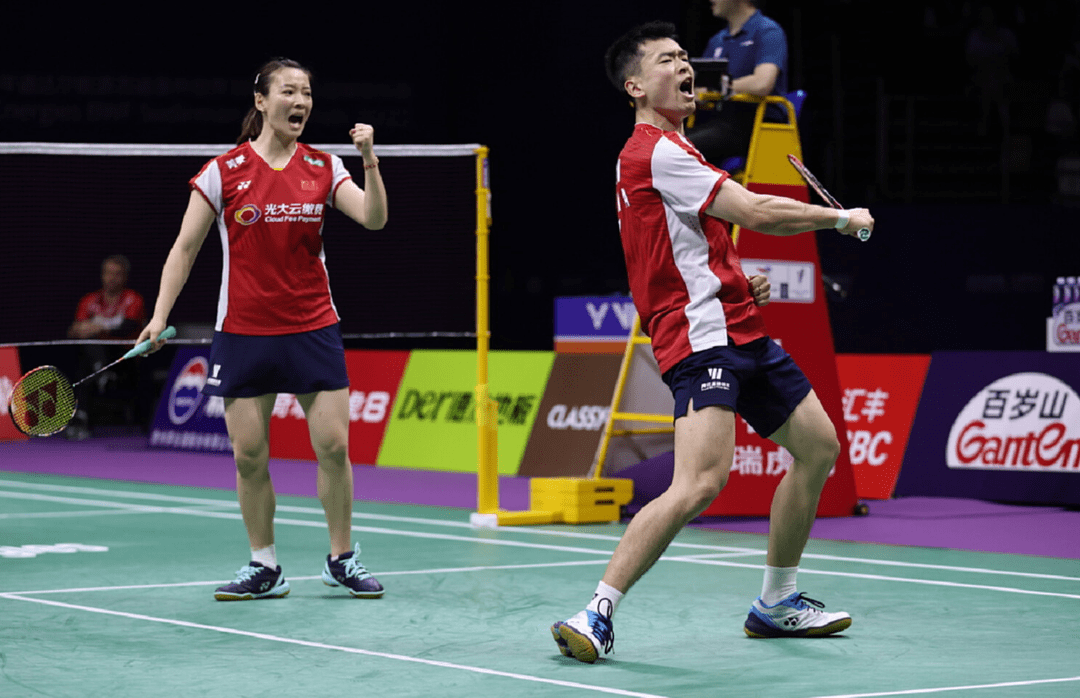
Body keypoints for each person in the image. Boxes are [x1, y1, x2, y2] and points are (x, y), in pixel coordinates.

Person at [550, 21, 874, 663]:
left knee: (818, 448)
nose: (685, 67)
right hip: (703, 338)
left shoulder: (679, 152)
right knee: (699, 482)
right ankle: (596, 612)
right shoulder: (654, 152)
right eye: (667, 60)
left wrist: (736, 280)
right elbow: (754, 211)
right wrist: (839, 218)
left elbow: (679, 247)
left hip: (738, 325)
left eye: (685, 57)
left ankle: (777, 602)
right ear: (635, 86)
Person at [136, 57, 389, 601]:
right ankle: (264, 564)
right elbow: (184, 249)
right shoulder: (223, 171)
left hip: (312, 326)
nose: (300, 102)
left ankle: (341, 558)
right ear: (261, 100)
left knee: (334, 448)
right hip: (244, 330)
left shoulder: (324, 167)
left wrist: (368, 159)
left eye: (307, 93)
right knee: (249, 456)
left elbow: (373, 218)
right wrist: (159, 316)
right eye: (288, 91)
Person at [688, 0, 789, 166]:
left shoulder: (768, 31)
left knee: (677, 149)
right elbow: (701, 87)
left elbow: (762, 83)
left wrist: (719, 88)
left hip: (755, 126)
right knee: (662, 143)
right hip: (718, 122)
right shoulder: (717, 40)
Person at [66, 254, 147, 439]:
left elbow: (127, 328)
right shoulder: (89, 300)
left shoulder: (133, 299)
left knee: (88, 361)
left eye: (117, 274)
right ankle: (100, 371)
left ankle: (99, 372)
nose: (112, 278)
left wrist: (98, 327)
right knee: (86, 355)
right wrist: (81, 329)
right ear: (102, 275)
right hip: (94, 356)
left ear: (125, 277)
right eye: (108, 273)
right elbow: (76, 329)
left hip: (125, 358)